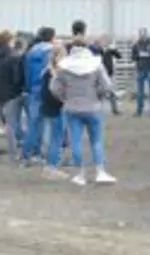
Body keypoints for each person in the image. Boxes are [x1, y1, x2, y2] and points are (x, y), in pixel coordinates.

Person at [49, 20, 117, 186]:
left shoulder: (64, 66)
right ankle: (100, 172)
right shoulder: (96, 64)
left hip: (72, 108)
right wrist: (99, 96)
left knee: (76, 141)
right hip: (92, 107)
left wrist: (64, 97)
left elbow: (54, 87)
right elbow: (107, 85)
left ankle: (80, 174)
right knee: (96, 140)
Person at [0, 30, 24, 161]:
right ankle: (12, 153)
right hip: (10, 94)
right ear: (9, 41)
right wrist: (17, 89)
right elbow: (16, 77)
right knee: (10, 124)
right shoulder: (13, 56)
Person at [22, 26, 56, 162]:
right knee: (48, 122)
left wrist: (29, 87)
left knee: (33, 121)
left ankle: (28, 152)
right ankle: (42, 152)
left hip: (33, 88)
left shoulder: (31, 51)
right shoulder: (50, 51)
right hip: (46, 88)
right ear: (52, 37)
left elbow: (27, 72)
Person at [41, 44, 69, 180]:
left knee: (52, 138)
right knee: (56, 139)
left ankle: (50, 165)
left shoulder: (46, 71)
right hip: (57, 109)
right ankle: (51, 167)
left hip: (48, 108)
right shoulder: (58, 73)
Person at [130, 27, 150, 117]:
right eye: (141, 33)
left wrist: (149, 55)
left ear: (147, 34)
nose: (142, 35)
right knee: (139, 93)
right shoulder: (136, 45)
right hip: (140, 70)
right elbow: (133, 57)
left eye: (144, 33)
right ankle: (139, 111)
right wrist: (139, 56)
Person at [89, 34, 122, 115]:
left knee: (111, 92)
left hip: (109, 74)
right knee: (98, 92)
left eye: (106, 40)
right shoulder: (96, 49)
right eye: (103, 40)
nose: (104, 42)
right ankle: (96, 109)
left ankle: (115, 109)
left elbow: (119, 56)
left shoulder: (109, 50)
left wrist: (114, 49)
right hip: (98, 74)